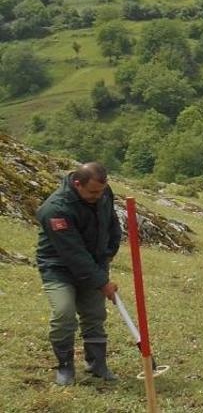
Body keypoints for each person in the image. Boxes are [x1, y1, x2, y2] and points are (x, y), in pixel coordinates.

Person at [35, 163, 122, 385]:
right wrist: (103, 282)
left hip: (94, 263)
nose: (98, 196)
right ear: (77, 184)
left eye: (102, 191)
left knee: (94, 315)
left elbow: (112, 222)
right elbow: (73, 254)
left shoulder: (103, 193)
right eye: (93, 192)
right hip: (59, 267)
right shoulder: (55, 209)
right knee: (64, 314)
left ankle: (97, 365)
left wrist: (110, 251)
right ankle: (65, 366)